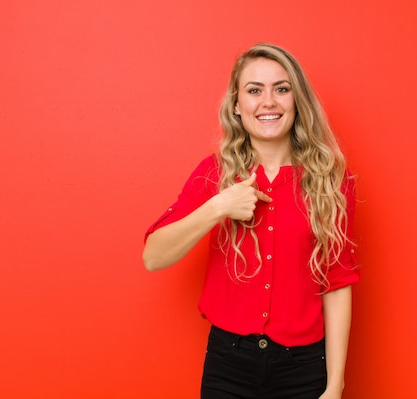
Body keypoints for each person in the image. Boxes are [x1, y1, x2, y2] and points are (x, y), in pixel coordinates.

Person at [142, 43, 359, 399]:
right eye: (254, 90)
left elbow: (336, 284)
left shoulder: (333, 181)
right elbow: (153, 256)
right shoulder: (214, 174)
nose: (268, 101)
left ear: (297, 101)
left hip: (303, 368)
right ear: (237, 105)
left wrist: (335, 385)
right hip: (229, 366)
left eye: (282, 89)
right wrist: (218, 206)